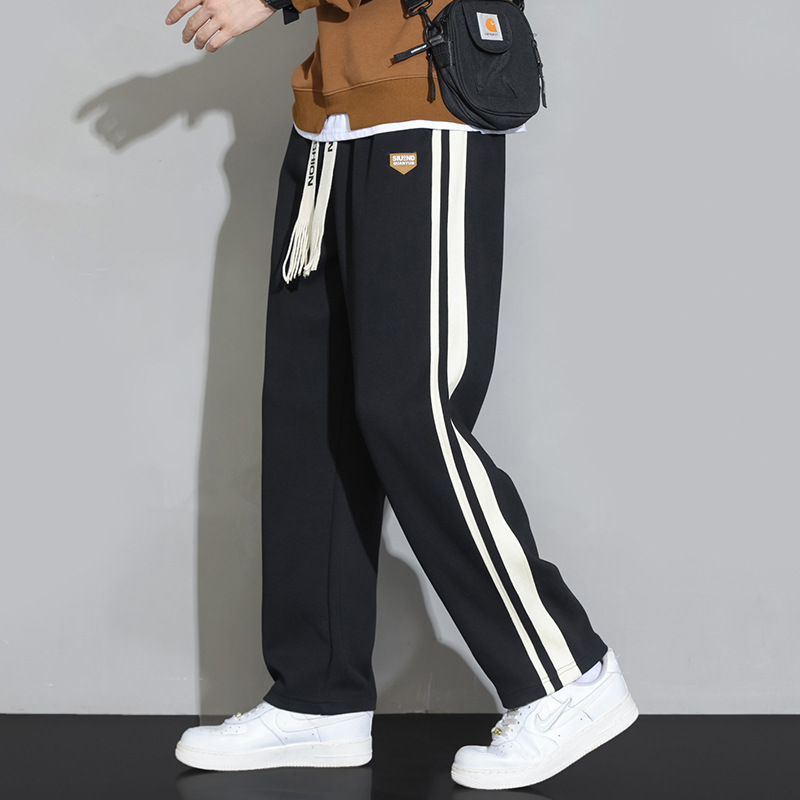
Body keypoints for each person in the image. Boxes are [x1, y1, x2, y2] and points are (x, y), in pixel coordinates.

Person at [165, 0, 638, 789]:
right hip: (329, 123)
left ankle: (567, 677)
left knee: (410, 411)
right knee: (310, 416)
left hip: (423, 103)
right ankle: (317, 697)